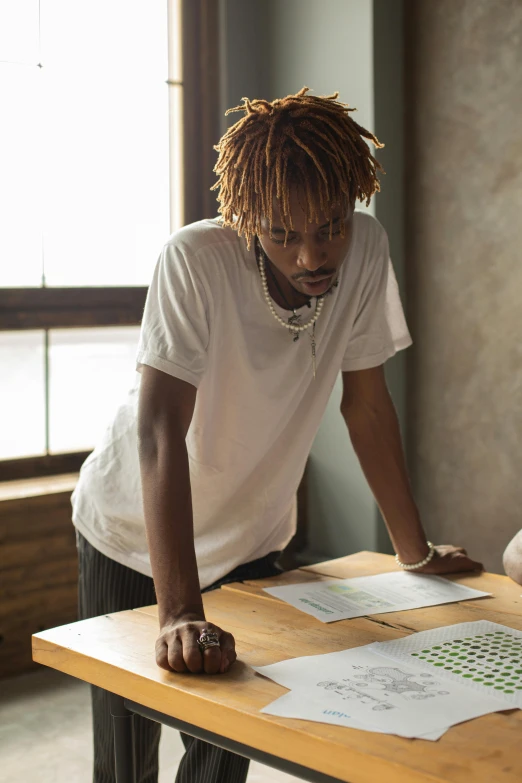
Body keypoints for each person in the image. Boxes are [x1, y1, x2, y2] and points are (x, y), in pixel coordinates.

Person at [72, 87, 483, 783]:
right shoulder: (195, 260)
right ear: (245, 218)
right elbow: (158, 431)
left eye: (329, 227)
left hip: (253, 537)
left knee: (230, 742)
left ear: (352, 201)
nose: (310, 255)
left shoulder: (367, 250)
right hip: (133, 532)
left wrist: (414, 551)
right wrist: (177, 611)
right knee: (126, 758)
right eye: (282, 234)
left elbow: (368, 406)